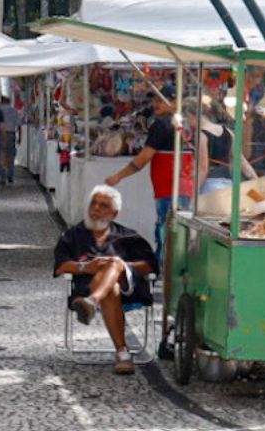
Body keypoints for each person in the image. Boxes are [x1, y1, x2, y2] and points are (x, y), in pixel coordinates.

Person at [53, 185, 159, 376]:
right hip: (87, 287)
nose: (95, 209)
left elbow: (150, 265)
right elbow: (60, 265)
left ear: (115, 213)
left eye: (103, 206)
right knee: (112, 289)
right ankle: (122, 353)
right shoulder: (73, 236)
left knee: (115, 263)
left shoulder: (128, 236)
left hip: (130, 286)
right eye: (93, 203)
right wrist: (86, 267)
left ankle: (92, 303)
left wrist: (120, 265)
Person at [106, 85, 193, 261]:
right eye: (155, 100)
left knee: (165, 231)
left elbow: (144, 157)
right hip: (185, 187)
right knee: (177, 232)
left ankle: (163, 271)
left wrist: (118, 176)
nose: (156, 104)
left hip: (167, 188)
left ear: (176, 102)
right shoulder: (187, 124)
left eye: (162, 100)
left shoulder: (161, 125)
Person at [192, 98, 254, 195]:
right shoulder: (228, 133)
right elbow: (241, 161)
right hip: (227, 183)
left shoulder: (202, 135)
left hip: (209, 184)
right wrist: (256, 181)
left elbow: (203, 169)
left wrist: (192, 193)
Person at [0, 91, 21, 186]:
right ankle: (10, 176)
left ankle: (2, 177)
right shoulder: (14, 110)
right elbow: (19, 125)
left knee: (2, 156)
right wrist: (20, 136)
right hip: (11, 134)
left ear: (1, 101)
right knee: (11, 156)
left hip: (0, 135)